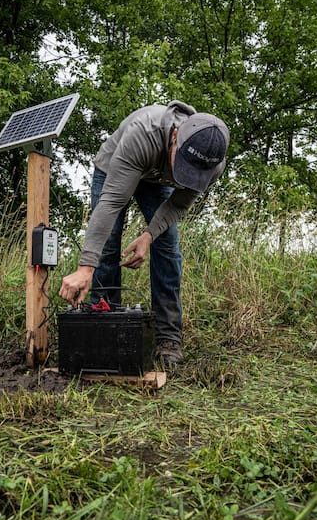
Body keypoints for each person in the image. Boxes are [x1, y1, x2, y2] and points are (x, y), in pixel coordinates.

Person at [59, 100, 230, 366]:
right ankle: (105, 329)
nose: (185, 175)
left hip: (156, 179)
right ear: (175, 137)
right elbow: (112, 202)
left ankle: (168, 337)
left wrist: (149, 235)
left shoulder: (212, 161)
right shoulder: (144, 133)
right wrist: (85, 268)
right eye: (183, 164)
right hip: (117, 166)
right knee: (107, 247)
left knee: (167, 246)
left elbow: (178, 204)